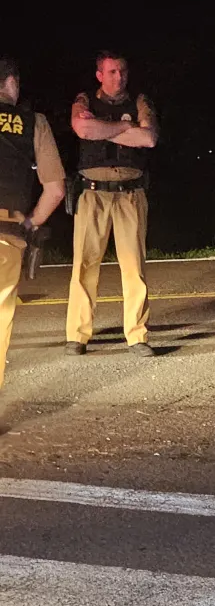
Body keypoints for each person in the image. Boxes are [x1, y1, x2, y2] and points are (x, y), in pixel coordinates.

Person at [65, 51, 159, 357]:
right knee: (85, 266)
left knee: (134, 267)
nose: (119, 77)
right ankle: (77, 335)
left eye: (122, 71)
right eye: (112, 72)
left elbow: (148, 138)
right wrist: (124, 127)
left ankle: (137, 336)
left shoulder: (141, 101)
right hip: (92, 193)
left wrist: (106, 127)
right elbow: (83, 129)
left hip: (131, 193)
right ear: (99, 75)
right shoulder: (84, 101)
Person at [0, 58, 66, 390]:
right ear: (11, 82)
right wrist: (31, 223)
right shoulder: (32, 123)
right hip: (6, 233)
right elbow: (55, 190)